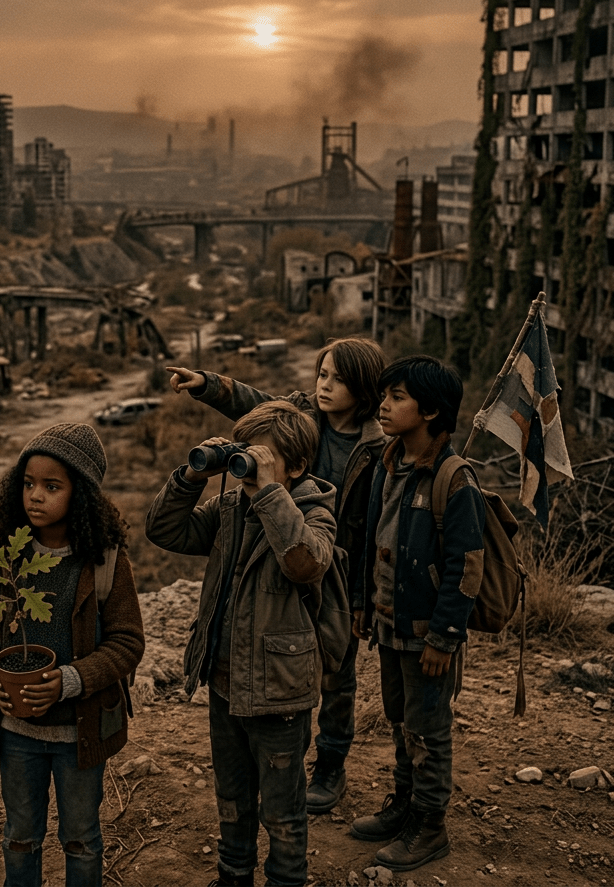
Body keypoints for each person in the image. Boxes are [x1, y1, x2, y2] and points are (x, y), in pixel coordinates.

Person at [167, 336, 386, 812]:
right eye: (322, 374)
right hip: (284, 552)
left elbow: (376, 528)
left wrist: (366, 599)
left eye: (339, 379)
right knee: (291, 666)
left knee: (337, 677)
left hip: (336, 566)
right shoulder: (302, 417)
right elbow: (254, 405)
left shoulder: (377, 446)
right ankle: (292, 763)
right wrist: (206, 384)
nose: (325, 386)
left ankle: (331, 764)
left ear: (365, 389)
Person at [146, 400, 336, 887]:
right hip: (226, 682)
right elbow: (165, 530)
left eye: (261, 458)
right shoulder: (230, 508)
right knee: (230, 794)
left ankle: (286, 879)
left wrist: (271, 492)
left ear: (295, 467)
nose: (246, 467)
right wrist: (191, 477)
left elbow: (305, 563)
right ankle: (233, 874)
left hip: (280, 694)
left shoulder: (316, 514)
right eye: (242, 454)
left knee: (282, 809)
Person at [0, 423, 144, 887]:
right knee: (20, 836)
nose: (35, 496)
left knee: (81, 838)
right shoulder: (6, 554)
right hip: (17, 733)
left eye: (51, 486)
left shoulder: (104, 561)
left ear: (79, 493)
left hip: (78, 735)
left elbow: (127, 642)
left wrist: (69, 680)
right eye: (27, 484)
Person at [350, 355, 486, 873]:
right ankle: (405, 806)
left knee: (428, 728)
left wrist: (445, 637)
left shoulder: (454, 479)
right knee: (401, 719)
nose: (383, 406)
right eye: (385, 396)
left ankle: (430, 826)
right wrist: (363, 603)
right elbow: (372, 539)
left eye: (397, 397)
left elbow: (465, 566)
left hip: (428, 635)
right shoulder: (388, 463)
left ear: (430, 411)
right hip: (389, 624)